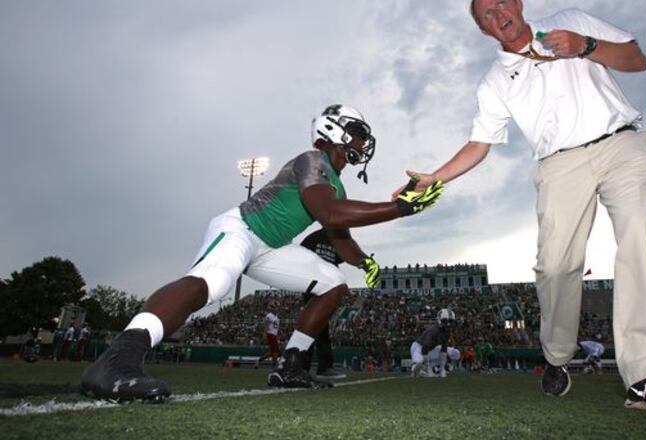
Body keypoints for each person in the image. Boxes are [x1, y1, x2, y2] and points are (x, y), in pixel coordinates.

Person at [400, 0, 646, 414]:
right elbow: (479, 145)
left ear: (519, 4)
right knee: (556, 267)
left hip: (622, 143)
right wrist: (435, 177)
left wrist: (586, 45)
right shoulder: (494, 80)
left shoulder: (571, 22)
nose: (497, 13)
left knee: (641, 238)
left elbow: (637, 59)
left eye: (501, 2)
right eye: (485, 14)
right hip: (559, 163)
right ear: (484, 30)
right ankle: (558, 356)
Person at [80, 104, 445, 402]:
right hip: (242, 229)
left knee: (333, 285)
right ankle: (118, 358)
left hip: (270, 248)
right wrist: (399, 208)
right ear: (333, 131)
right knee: (214, 282)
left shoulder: (334, 181)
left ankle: (290, 364)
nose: (362, 141)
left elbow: (339, 234)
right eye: (357, 133)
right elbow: (330, 213)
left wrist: (364, 261)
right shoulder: (312, 159)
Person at [298, 228, 349, 380]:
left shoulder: (338, 239)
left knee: (321, 328)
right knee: (312, 327)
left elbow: (338, 261)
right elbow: (299, 258)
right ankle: (312, 367)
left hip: (327, 288)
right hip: (312, 285)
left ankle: (312, 367)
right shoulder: (313, 238)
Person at [410, 308, 455, 378]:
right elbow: (424, 348)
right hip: (419, 347)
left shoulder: (447, 332)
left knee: (455, 353)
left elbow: (444, 349)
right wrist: (428, 368)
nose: (448, 324)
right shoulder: (434, 330)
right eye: (445, 321)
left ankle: (431, 368)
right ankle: (417, 368)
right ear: (439, 320)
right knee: (419, 362)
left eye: (450, 321)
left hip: (430, 349)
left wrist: (442, 369)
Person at [263, 301, 281, 366]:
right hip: (270, 334)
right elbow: (266, 324)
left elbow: (277, 327)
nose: (275, 309)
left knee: (272, 352)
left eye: (276, 308)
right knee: (276, 350)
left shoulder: (276, 317)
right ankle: (274, 364)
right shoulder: (269, 315)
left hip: (274, 334)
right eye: (273, 307)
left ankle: (258, 361)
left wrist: (278, 334)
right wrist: (265, 333)